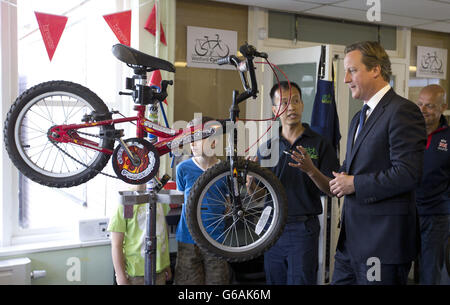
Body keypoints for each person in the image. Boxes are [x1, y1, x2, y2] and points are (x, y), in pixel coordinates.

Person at [289, 41, 426, 285]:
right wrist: (311, 170)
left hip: (381, 246)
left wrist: (355, 184)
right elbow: (341, 181)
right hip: (349, 245)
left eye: (352, 70)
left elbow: (408, 173)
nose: (344, 79)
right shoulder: (358, 117)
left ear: (375, 69)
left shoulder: (402, 111)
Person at [255, 81, 339, 285]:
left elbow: (333, 190)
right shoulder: (267, 147)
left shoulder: (320, 143)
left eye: (295, 101)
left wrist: (311, 170)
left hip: (303, 228)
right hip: (272, 228)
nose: (291, 107)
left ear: (302, 105)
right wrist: (251, 181)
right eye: (284, 103)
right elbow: (257, 195)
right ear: (275, 110)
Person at [173, 116, 230, 285]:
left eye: (197, 139)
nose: (192, 144)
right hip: (188, 238)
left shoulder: (224, 170)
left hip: (216, 239)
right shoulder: (182, 168)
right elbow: (182, 199)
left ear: (213, 143)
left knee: (218, 281)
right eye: (190, 139)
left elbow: (228, 206)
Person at [415, 84, 450, 285]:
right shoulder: (408, 132)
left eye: (429, 106)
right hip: (407, 213)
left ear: (442, 107)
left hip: (436, 216)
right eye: (420, 104)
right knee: (399, 266)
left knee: (430, 273)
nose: (423, 110)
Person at [108, 183, 172, 285]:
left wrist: (166, 264)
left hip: (159, 270)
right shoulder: (127, 200)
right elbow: (116, 244)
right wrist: (121, 277)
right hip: (136, 273)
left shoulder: (159, 194)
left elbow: (163, 228)